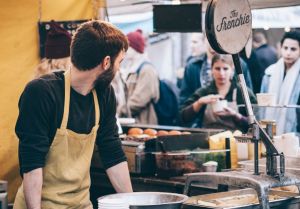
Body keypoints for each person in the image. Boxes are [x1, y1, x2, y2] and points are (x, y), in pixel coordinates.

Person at [14, 20, 133, 209]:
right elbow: (31, 164)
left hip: (80, 204)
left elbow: (112, 152)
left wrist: (132, 203)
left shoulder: (104, 94)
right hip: (41, 205)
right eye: (120, 62)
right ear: (106, 62)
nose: (118, 69)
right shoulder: (41, 93)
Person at [180, 54, 256, 132]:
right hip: (208, 139)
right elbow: (183, 117)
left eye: (225, 69)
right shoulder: (204, 92)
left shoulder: (243, 92)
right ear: (212, 70)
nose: (221, 73)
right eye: (217, 69)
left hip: (236, 140)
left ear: (232, 70)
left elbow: (256, 123)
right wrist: (200, 102)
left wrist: (236, 115)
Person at [179, 36, 253, 106]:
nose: (215, 44)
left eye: (225, 69)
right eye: (211, 39)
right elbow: (184, 100)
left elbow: (248, 98)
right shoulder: (193, 66)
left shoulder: (239, 64)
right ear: (205, 40)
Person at [261, 31, 300, 135]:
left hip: (295, 131)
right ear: (280, 48)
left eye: (293, 49)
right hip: (270, 128)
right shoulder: (269, 73)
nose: (288, 53)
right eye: (285, 48)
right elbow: (262, 105)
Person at [119, 29, 160, 124]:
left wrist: (119, 111)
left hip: (144, 123)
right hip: (131, 122)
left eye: (127, 47)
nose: (124, 50)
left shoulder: (147, 70)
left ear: (135, 48)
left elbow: (139, 100)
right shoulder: (130, 68)